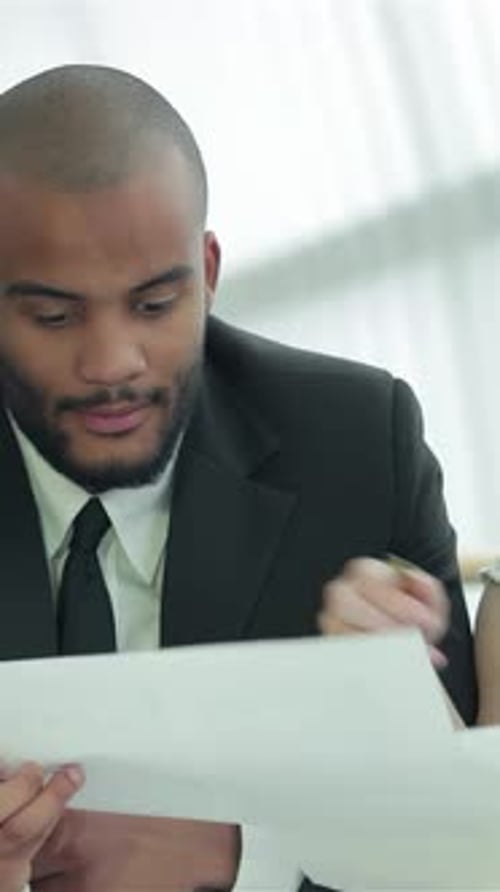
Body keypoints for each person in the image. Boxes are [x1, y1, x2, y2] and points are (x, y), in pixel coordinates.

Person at [0, 63, 476, 891]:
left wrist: (233, 856)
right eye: (54, 316)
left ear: (209, 272)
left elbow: (458, 854)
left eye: (154, 305)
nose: (113, 363)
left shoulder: (358, 444)